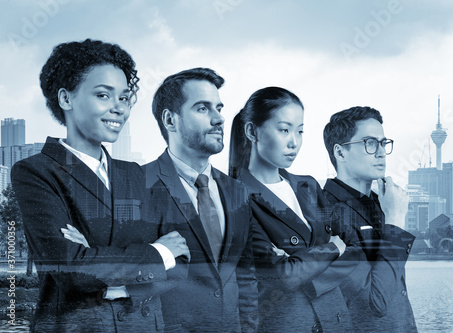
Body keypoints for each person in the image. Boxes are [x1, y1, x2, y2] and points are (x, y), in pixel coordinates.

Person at [11, 39, 189, 333]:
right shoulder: (35, 172)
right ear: (66, 100)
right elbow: (72, 269)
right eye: (104, 95)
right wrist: (157, 253)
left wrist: (110, 279)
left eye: (124, 98)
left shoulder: (139, 175)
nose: (119, 108)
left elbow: (182, 261)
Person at [229, 86, 357, 332]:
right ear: (252, 131)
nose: (294, 142)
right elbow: (282, 276)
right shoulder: (236, 197)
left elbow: (354, 250)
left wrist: (304, 264)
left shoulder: (308, 186)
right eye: (284, 130)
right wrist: (332, 247)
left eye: (300, 131)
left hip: (337, 322)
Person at [143, 67, 258, 332]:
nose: (219, 119)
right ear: (170, 120)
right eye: (203, 109)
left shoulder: (237, 190)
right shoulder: (138, 184)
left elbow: (246, 276)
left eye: (219, 108)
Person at [322, 106, 418, 332]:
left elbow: (396, 291)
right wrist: (394, 221)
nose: (381, 152)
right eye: (370, 143)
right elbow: (375, 304)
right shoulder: (325, 212)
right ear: (340, 152)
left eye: (383, 143)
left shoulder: (383, 203)